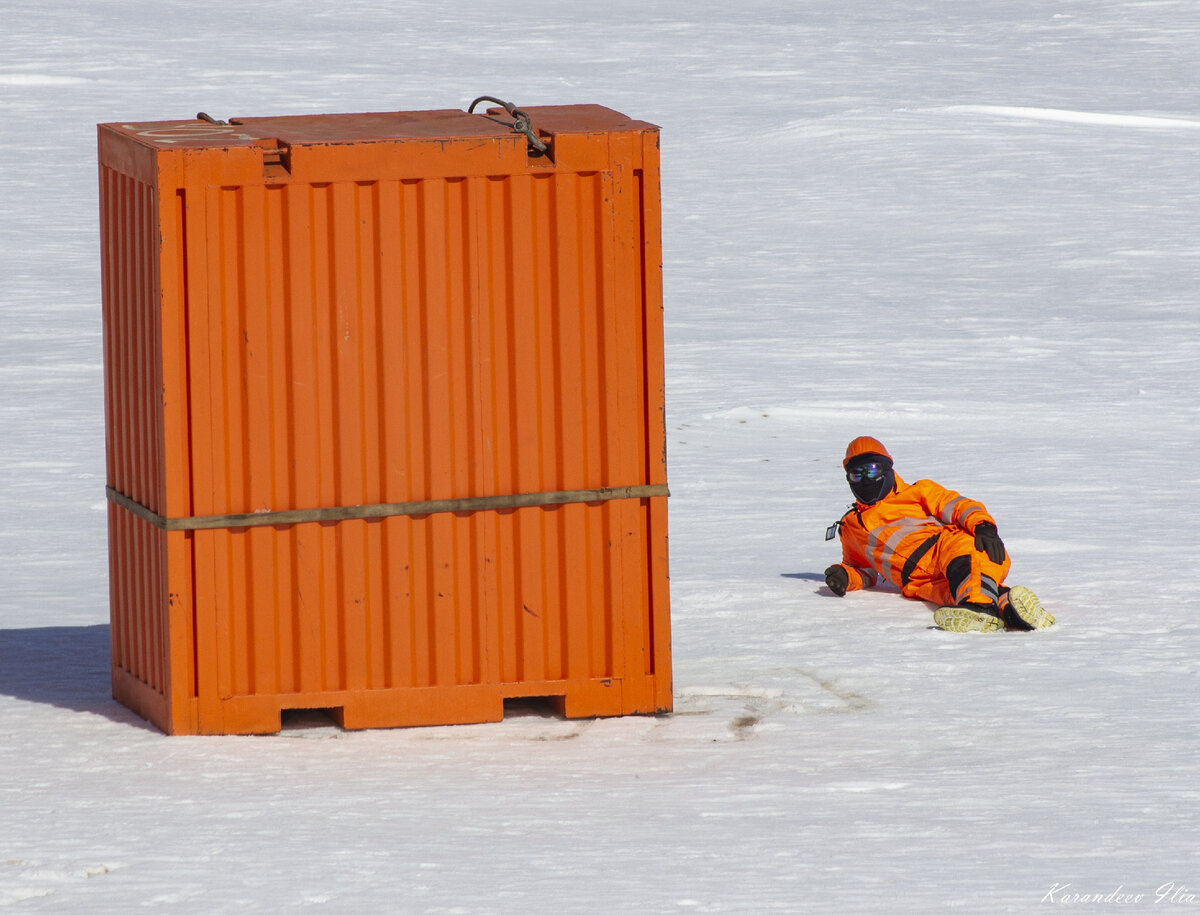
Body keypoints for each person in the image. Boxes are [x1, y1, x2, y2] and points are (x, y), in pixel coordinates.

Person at [823, 436, 1055, 632]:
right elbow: (862, 570)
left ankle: (980, 609)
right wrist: (845, 576)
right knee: (960, 591)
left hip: (944, 548)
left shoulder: (918, 491)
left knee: (968, 560)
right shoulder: (851, 527)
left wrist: (984, 526)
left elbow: (958, 505)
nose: (865, 480)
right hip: (919, 582)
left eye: (871, 470)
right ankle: (1012, 611)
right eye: (856, 474)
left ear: (886, 469)